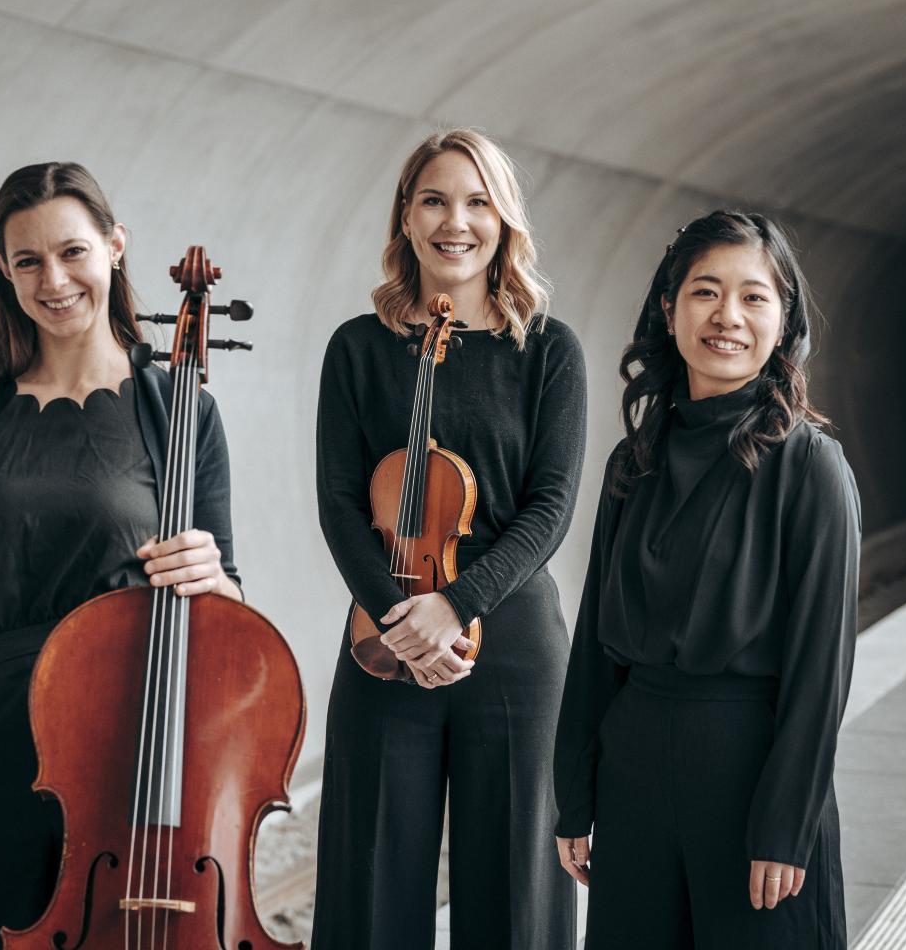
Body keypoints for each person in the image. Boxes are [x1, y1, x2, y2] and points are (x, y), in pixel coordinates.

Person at [0, 162, 242, 949]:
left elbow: (228, 608)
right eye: (27, 261)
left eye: (73, 252)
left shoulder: (178, 409)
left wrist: (212, 576)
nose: (53, 280)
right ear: (1, 271)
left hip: (125, 745)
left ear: (115, 248)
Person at [311, 128, 588, 949]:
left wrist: (456, 604)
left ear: (504, 221)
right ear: (405, 215)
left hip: (511, 648)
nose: (454, 221)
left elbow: (551, 506)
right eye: (433, 199)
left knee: (516, 903)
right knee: (369, 882)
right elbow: (336, 504)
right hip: (382, 635)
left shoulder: (546, 350)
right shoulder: (359, 348)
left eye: (477, 202)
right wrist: (403, 616)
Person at [552, 210, 860, 948]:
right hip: (634, 779)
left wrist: (785, 823)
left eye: (754, 297)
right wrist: (575, 794)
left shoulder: (808, 466)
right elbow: (596, 641)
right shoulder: (633, 462)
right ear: (668, 307)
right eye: (704, 292)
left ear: (783, 321)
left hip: (750, 781)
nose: (727, 317)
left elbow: (822, 666)